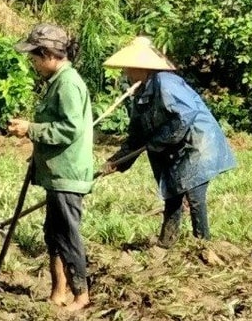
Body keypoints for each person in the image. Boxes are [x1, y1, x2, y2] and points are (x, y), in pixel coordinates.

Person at [100, 36, 237, 247]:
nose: (125, 72)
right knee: (172, 192)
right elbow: (137, 137)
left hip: (197, 143)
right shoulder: (140, 94)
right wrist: (116, 162)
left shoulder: (166, 82)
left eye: (129, 67)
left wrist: (158, 140)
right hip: (174, 149)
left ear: (141, 67)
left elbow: (186, 114)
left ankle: (203, 244)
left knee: (194, 194)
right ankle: (167, 242)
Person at [5, 24, 95, 311]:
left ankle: (81, 295)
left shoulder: (68, 84)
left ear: (48, 54)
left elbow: (69, 129)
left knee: (67, 235)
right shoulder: (58, 81)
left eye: (34, 56)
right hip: (57, 174)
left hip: (67, 175)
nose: (32, 62)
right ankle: (58, 291)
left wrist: (31, 129)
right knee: (53, 234)